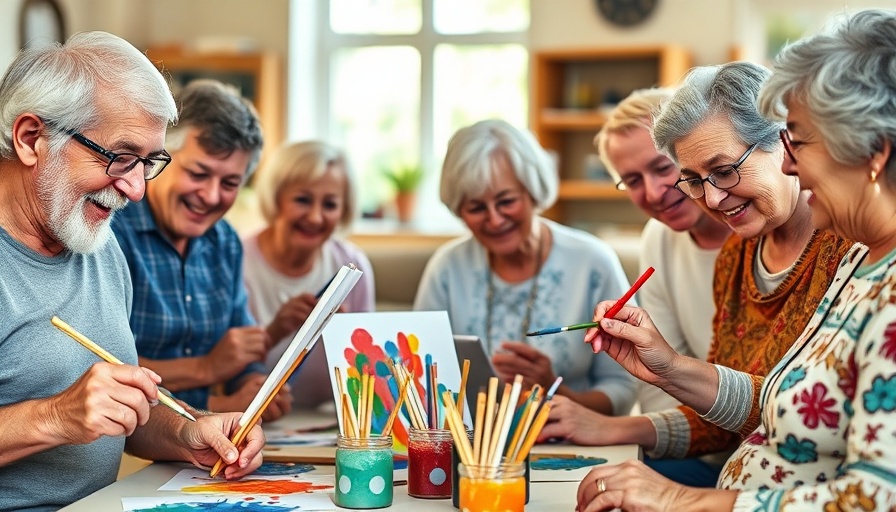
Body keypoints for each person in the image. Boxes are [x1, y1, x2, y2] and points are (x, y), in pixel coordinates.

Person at [576, 9, 896, 511]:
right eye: (694, 178)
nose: (791, 163)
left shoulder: (853, 253)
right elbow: (779, 403)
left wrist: (680, 499)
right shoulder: (860, 267)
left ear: (871, 152)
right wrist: (669, 367)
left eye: (800, 142)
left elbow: (875, 495)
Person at [540, 61, 855, 484]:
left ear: (785, 144)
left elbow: (819, 415)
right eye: (692, 179)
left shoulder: (849, 244)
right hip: (740, 476)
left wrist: (670, 372)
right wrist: (666, 368)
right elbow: (724, 417)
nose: (712, 197)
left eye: (724, 171)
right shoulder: (736, 254)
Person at [0, 32, 264, 512]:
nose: (137, 190)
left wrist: (188, 431)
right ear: (31, 138)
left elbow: (122, 416)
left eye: (150, 162)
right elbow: (72, 416)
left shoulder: (97, 241)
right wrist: (56, 416)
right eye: (120, 157)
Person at [414, 119, 637, 415]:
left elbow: (623, 388)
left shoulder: (593, 263)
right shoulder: (446, 268)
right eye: (476, 208)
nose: (494, 220)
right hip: (472, 447)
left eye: (506, 201)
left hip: (571, 442)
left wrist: (553, 392)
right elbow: (417, 374)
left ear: (533, 191)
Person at [112, 79, 291, 420]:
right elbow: (100, 365)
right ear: (158, 159)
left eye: (229, 183)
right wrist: (206, 369)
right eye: (198, 173)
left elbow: (240, 345)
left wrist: (256, 382)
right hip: (130, 447)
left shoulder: (225, 242)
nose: (210, 196)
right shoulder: (112, 232)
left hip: (204, 438)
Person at [595, 87, 731, 412]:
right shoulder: (658, 236)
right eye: (633, 180)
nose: (654, 193)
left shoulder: (757, 229)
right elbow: (660, 381)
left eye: (662, 168)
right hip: (694, 440)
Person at [242, 140, 375, 409]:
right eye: (302, 200)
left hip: (333, 420)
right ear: (277, 198)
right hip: (254, 416)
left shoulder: (352, 264)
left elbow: (369, 373)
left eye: (330, 204)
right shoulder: (238, 260)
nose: (315, 217)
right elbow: (224, 371)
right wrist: (275, 331)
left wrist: (348, 338)